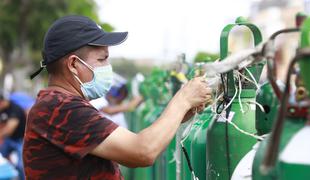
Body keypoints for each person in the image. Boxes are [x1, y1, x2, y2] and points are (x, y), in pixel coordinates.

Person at [23, 15, 211, 179]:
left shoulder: (57, 105)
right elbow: (142, 151)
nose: (108, 66)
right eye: (101, 59)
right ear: (73, 64)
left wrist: (177, 116)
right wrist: (183, 100)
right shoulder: (60, 108)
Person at [0, 92, 26, 180]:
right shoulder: (2, 110)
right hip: (9, 139)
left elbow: (9, 129)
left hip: (21, 139)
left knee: (21, 166)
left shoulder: (15, 109)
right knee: (2, 159)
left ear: (3, 101)